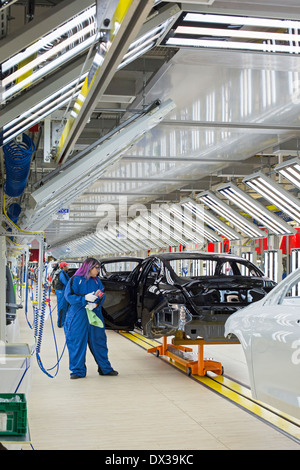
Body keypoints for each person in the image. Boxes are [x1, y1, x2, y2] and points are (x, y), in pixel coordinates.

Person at [63, 257, 118, 379]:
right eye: (96, 268)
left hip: (94, 315)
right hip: (78, 316)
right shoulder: (76, 280)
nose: (98, 270)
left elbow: (102, 294)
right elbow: (69, 296)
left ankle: (105, 368)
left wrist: (96, 303)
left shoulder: (97, 281)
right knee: (77, 343)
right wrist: (84, 299)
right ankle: (77, 370)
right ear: (88, 267)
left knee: (99, 342)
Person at [55, 262, 70, 328]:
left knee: (64, 307)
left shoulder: (64, 273)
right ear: (63, 267)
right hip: (61, 292)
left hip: (62, 292)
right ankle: (60, 323)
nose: (68, 267)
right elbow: (66, 283)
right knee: (62, 307)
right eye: (66, 266)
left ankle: (63, 322)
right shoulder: (62, 274)